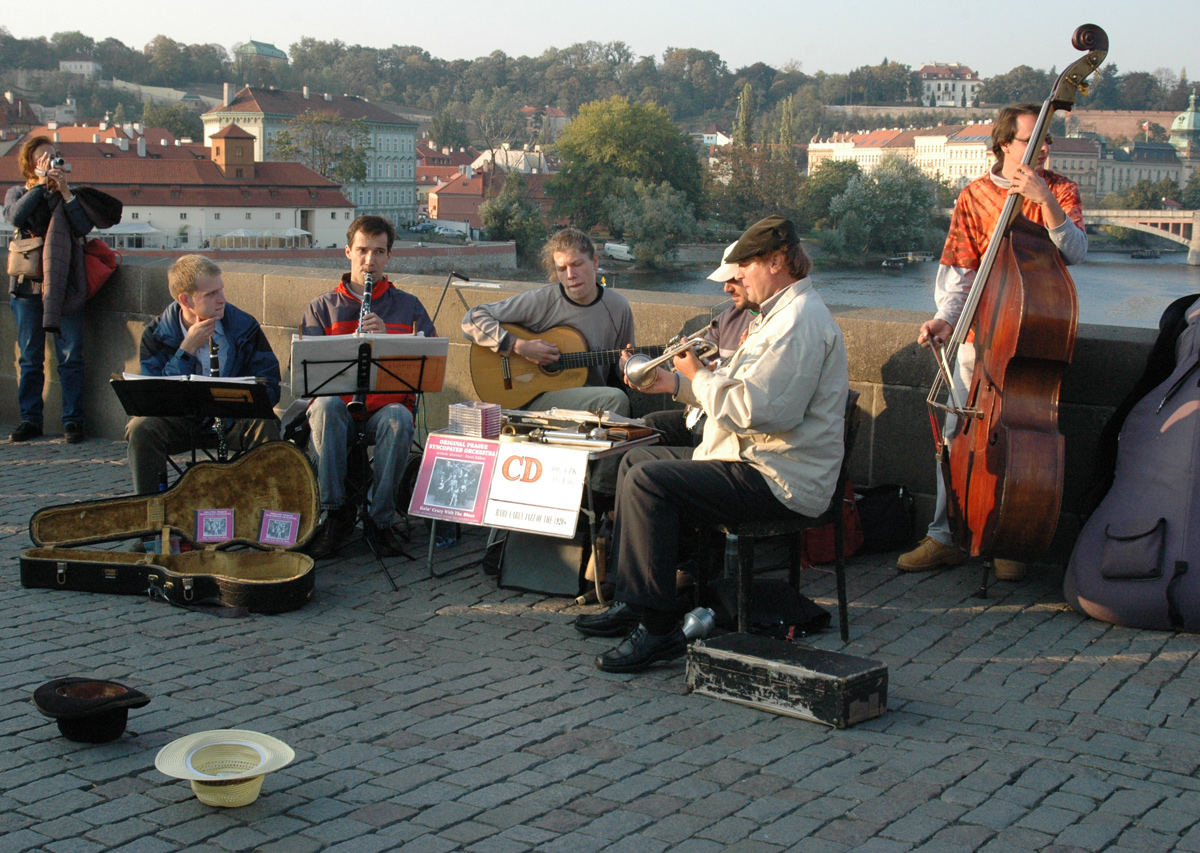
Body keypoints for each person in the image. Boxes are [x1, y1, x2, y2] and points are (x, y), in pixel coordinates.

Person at [575, 216, 849, 673]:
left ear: (777, 262)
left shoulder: (798, 322)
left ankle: (660, 629)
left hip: (780, 477)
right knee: (635, 459)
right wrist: (677, 382)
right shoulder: (778, 314)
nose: (731, 281)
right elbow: (741, 395)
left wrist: (697, 374)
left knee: (648, 481)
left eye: (742, 269)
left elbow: (760, 410)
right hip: (757, 457)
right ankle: (636, 599)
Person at [897, 103, 1088, 580]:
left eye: (1047, 139)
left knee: (1025, 442)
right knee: (957, 437)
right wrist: (945, 320)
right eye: (1033, 139)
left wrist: (1046, 201)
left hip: (1030, 337)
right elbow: (961, 273)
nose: (1044, 146)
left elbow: (1077, 252)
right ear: (1006, 143)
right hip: (978, 340)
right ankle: (946, 535)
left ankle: (1008, 535)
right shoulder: (975, 195)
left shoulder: (1059, 188)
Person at [461, 227, 635, 494]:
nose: (570, 275)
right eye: (562, 268)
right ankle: (601, 497)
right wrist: (518, 346)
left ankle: (597, 504)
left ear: (595, 262)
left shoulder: (618, 306)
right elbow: (472, 318)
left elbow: (621, 366)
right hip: (532, 400)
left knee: (619, 400)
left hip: (588, 401)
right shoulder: (543, 300)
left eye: (577, 265)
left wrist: (628, 368)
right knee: (615, 402)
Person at [302, 215, 436, 559]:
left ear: (389, 257)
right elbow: (311, 379)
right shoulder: (322, 308)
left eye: (379, 252)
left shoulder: (409, 306)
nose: (369, 260)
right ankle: (333, 514)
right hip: (339, 412)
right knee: (326, 405)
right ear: (348, 251)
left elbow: (430, 360)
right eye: (362, 250)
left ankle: (380, 520)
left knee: (399, 419)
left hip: (384, 410)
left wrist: (387, 337)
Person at [125, 256, 281, 493]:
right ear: (185, 300)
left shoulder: (243, 325)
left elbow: (270, 384)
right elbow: (153, 398)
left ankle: (263, 506)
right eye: (211, 294)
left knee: (266, 424)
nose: (222, 300)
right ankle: (151, 511)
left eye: (221, 290)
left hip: (231, 419)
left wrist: (242, 398)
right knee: (141, 427)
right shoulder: (156, 333)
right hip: (181, 421)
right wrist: (186, 350)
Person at [4, 136, 121, 444]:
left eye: (54, 157)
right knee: (30, 356)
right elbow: (16, 216)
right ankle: (30, 420)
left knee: (70, 356)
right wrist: (41, 185)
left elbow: (83, 226)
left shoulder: (68, 195)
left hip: (66, 285)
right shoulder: (18, 192)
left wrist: (66, 192)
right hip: (28, 286)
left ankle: (73, 421)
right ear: (30, 164)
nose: (50, 162)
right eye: (43, 158)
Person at [642, 241, 757, 448]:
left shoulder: (775, 324)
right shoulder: (725, 319)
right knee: (648, 425)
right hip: (707, 407)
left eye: (733, 279)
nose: (726, 288)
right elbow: (703, 369)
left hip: (733, 425)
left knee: (701, 430)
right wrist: (678, 374)